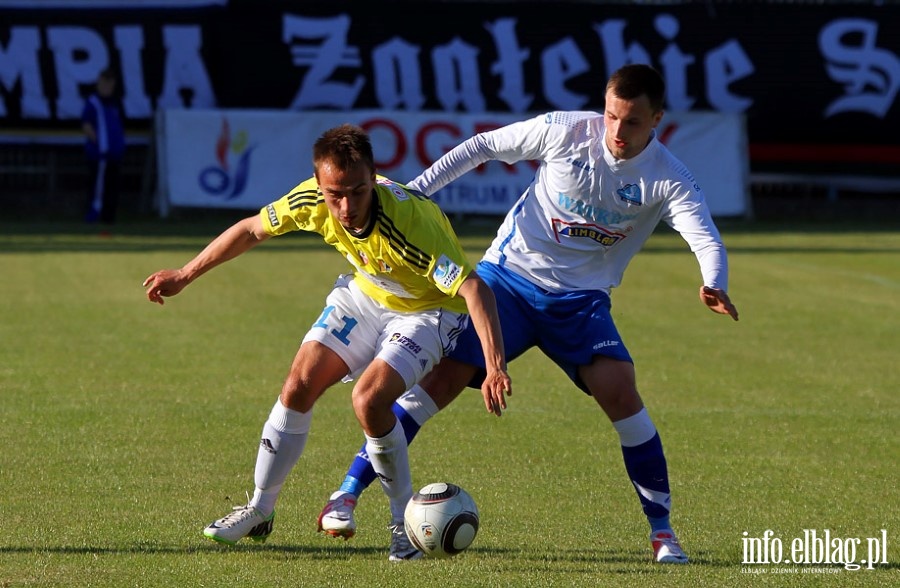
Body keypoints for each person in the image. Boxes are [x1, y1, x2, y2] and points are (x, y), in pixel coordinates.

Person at [316, 64, 739, 564]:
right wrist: (417, 190)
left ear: (657, 121)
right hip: (507, 281)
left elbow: (703, 235)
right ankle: (347, 490)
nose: (617, 132)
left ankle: (663, 532)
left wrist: (714, 280)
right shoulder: (564, 131)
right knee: (442, 381)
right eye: (611, 116)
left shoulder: (668, 177)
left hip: (580, 303)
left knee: (622, 393)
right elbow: (482, 146)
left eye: (632, 122)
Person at [142, 124, 510, 561]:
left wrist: (494, 365)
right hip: (368, 293)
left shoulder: (411, 225)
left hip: (428, 310)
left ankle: (401, 526)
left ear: (374, 178)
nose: (347, 205)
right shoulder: (312, 200)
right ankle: (259, 508)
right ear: (319, 184)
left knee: (369, 401)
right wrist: (185, 274)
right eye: (335, 194)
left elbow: (473, 289)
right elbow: (251, 229)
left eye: (357, 191)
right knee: (298, 384)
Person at [81, 67, 126, 224]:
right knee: (98, 188)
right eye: (104, 83)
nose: (107, 86)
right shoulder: (93, 102)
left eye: (110, 83)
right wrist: (99, 143)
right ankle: (94, 215)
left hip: (114, 154)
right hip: (100, 155)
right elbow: (86, 124)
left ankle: (108, 217)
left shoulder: (114, 103)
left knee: (112, 188)